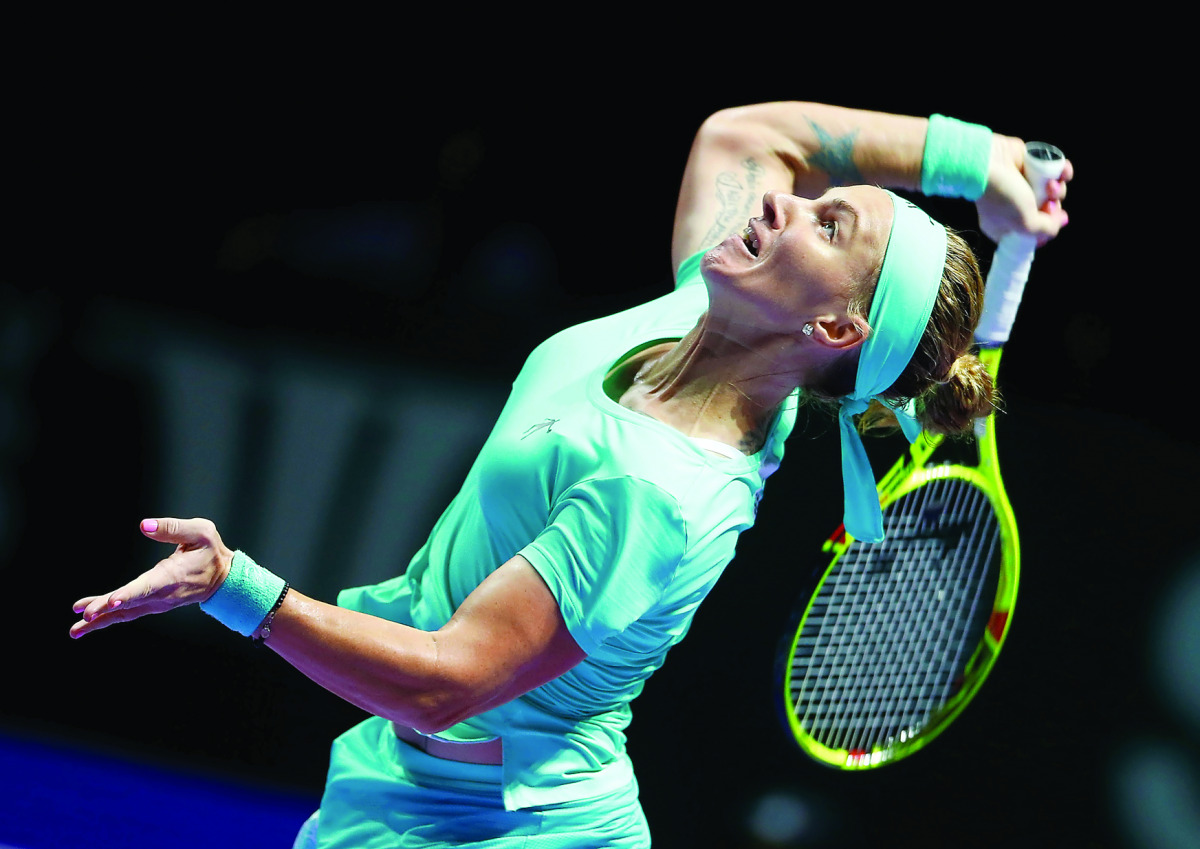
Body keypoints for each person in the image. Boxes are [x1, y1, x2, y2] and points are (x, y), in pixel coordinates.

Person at [69, 101, 1071, 847]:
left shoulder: (658, 491)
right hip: (416, 790)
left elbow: (446, 683)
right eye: (815, 201)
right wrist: (974, 157)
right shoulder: (699, 314)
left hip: (505, 828)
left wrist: (234, 586)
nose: (785, 199)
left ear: (835, 328)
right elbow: (749, 132)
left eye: (829, 225)